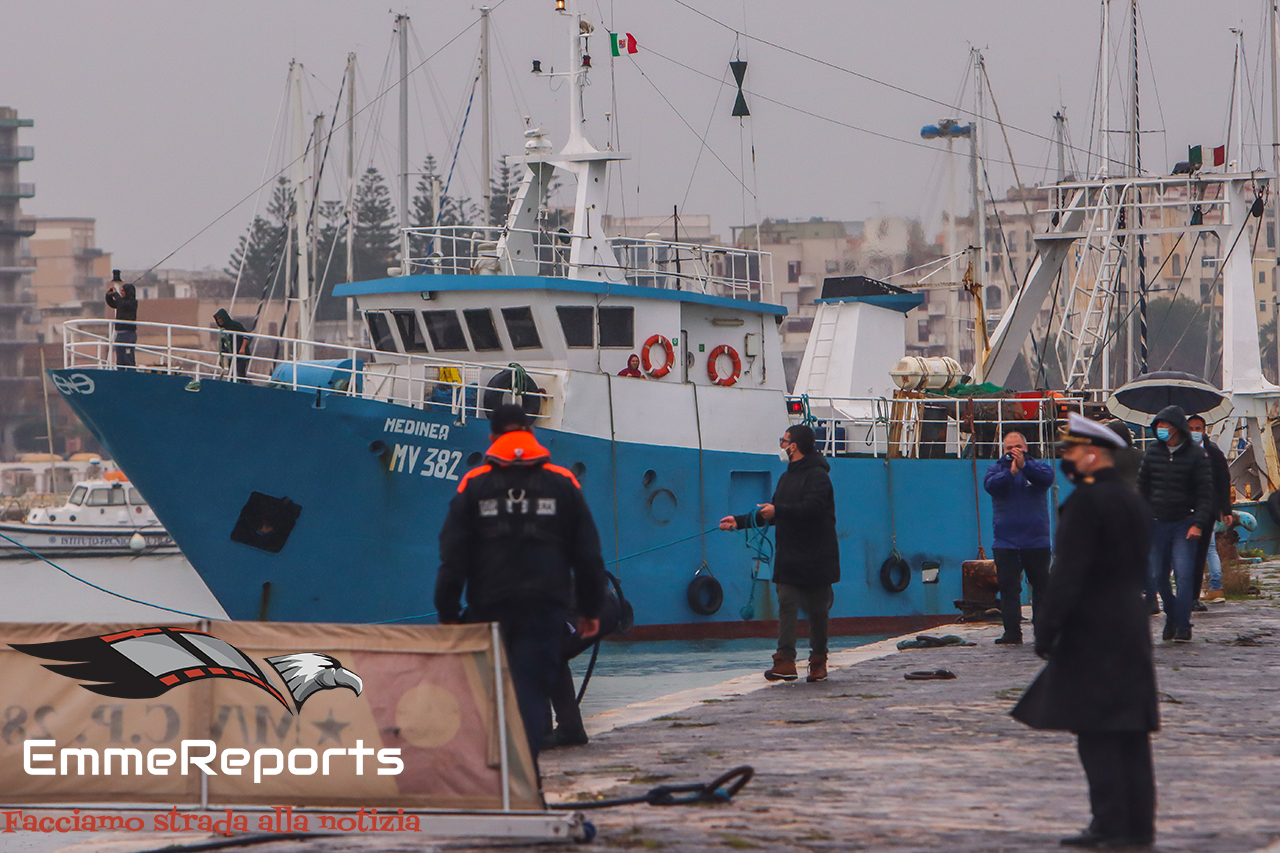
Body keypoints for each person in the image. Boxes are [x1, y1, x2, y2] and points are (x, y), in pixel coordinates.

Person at [1012, 413, 1158, 849]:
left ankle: (1109, 826)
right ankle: (1138, 827)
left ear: (1093, 453)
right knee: (1131, 734)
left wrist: (1047, 627)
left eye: (1071, 451)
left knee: (1097, 734)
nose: (1067, 460)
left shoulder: (1086, 503)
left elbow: (1069, 573)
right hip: (1130, 626)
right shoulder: (1132, 500)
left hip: (1093, 631)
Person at [436, 403, 606, 758]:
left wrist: (448, 612)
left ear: (493, 437)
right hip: (545, 606)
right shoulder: (562, 482)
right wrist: (591, 608)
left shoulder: (474, 483)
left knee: (497, 686)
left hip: (490, 605)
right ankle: (527, 769)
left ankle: (501, 766)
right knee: (530, 685)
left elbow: (453, 554)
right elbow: (587, 553)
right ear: (530, 432)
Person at [719, 423, 839, 683]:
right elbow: (773, 513)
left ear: (794, 446)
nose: (782, 446)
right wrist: (739, 521)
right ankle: (785, 661)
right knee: (787, 603)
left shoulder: (819, 476)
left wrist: (778, 511)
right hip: (790, 556)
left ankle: (818, 662)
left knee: (818, 611)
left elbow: (813, 508)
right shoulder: (787, 477)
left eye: (784, 441)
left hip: (817, 555)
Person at [1136, 405, 1212, 642]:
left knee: (1183, 573)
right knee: (1158, 576)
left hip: (1184, 521)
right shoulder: (1152, 452)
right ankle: (1173, 615)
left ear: (1176, 427)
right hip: (1157, 522)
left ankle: (1182, 624)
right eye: (1157, 425)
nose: (1160, 429)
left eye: (1164, 424)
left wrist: (1198, 523)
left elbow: (1205, 493)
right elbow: (1142, 487)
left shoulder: (1196, 456)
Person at [982, 430, 1054, 645]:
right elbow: (990, 486)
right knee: (1009, 588)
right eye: (1008, 448)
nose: (1013, 452)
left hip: (1037, 541)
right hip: (1006, 542)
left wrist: (1025, 467)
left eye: (1017, 448)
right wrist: (1010, 473)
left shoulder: (1038, 467)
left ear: (1026, 448)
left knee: (1041, 587)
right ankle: (1012, 632)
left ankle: (1042, 632)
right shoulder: (995, 470)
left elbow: (1046, 479)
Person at [1185, 415, 1232, 606]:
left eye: (1198, 428)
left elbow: (1223, 480)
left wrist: (1225, 508)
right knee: (1183, 555)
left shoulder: (1213, 452)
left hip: (1206, 509)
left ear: (1204, 430)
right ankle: (1184, 594)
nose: (1194, 432)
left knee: (1200, 553)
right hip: (1184, 508)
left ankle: (1193, 597)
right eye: (1191, 428)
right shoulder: (1180, 451)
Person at [104, 270, 137, 368]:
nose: (121, 292)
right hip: (120, 334)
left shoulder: (132, 303)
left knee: (128, 357)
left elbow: (122, 304)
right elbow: (113, 304)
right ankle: (121, 373)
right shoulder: (121, 302)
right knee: (120, 358)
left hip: (128, 334)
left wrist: (115, 295)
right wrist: (109, 296)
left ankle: (131, 374)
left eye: (122, 290)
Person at [213, 309, 251, 381]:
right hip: (232, 355)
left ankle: (245, 386)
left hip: (241, 354)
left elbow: (246, 335)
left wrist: (242, 348)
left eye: (220, 318)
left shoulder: (235, 325)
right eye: (217, 319)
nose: (219, 320)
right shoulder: (223, 330)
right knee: (231, 373)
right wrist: (222, 358)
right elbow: (223, 345)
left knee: (240, 373)